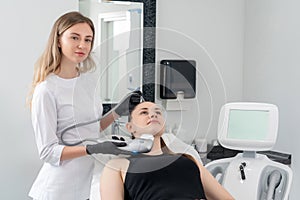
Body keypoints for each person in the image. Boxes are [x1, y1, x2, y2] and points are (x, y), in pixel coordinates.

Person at [27, 11, 140, 200]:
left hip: (87, 186)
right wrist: (93, 148)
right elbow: (48, 152)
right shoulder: (46, 89)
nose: (82, 45)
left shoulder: (87, 82)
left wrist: (118, 111)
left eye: (88, 40)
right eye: (75, 37)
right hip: (58, 190)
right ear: (58, 40)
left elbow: (90, 128)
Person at [100, 101, 234, 200]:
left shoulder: (188, 160)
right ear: (130, 127)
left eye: (157, 112)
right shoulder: (118, 165)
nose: (152, 115)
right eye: (144, 112)